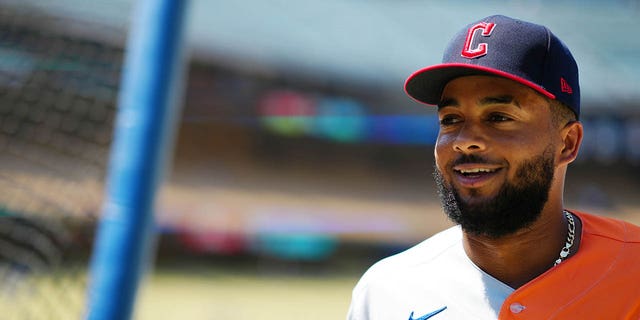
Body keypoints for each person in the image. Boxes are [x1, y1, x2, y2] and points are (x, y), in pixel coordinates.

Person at [347, 15, 640, 320]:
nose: (465, 141)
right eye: (450, 119)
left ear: (568, 143)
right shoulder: (385, 291)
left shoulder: (634, 274)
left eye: (499, 117)